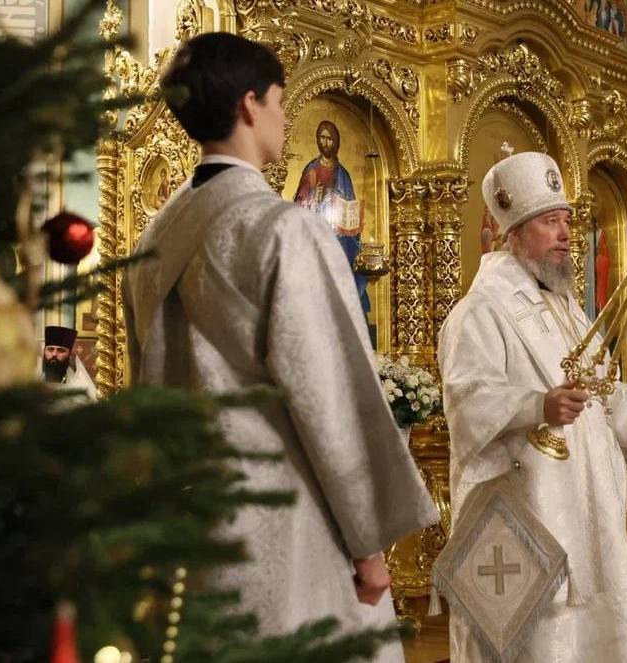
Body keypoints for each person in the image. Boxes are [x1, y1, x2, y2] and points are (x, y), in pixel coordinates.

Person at [124, 32, 437, 661]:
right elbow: (329, 394)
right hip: (286, 524)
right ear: (249, 104)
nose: (283, 116)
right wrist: (369, 545)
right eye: (278, 99)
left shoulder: (155, 237)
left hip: (190, 519)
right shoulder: (283, 229)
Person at [438, 151, 627, 662]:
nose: (566, 234)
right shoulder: (479, 311)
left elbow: (603, 395)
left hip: (588, 510)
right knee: (542, 640)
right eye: (550, 223)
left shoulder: (566, 310)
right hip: (530, 511)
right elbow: (467, 402)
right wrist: (537, 406)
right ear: (515, 234)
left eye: (566, 221)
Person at [293, 120, 369, 319]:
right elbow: (298, 208)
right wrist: (314, 199)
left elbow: (350, 208)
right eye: (322, 138)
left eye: (329, 139)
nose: (325, 142)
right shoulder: (311, 171)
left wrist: (353, 221)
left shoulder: (343, 175)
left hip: (341, 243)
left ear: (336, 142)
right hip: (315, 240)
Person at [38, 325, 97, 400]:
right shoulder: (31, 380)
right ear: (44, 351)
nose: (54, 354)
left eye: (61, 350)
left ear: (69, 354)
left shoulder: (78, 386)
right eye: (50, 349)